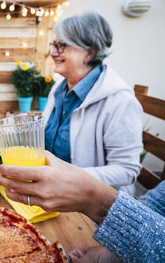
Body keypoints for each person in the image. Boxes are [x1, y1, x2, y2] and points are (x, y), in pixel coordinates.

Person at [0, 151, 165, 263]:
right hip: (77, 219)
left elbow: (128, 169)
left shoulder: (122, 101)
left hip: (86, 218)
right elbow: (156, 204)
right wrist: (115, 249)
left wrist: (91, 196)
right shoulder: (55, 97)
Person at [43, 11, 143, 195]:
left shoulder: (120, 102)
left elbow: (126, 171)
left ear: (90, 52)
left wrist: (64, 178)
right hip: (53, 193)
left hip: (94, 208)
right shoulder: (59, 89)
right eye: (54, 45)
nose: (53, 52)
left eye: (62, 46)